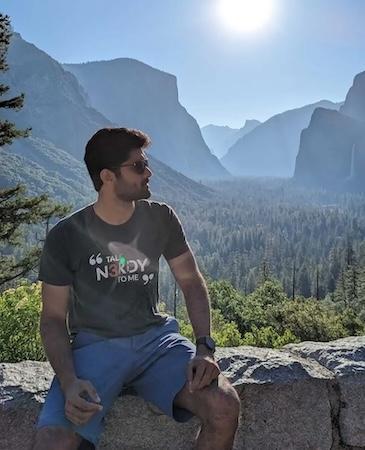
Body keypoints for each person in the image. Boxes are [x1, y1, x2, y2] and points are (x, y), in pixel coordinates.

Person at [32, 128, 240, 450]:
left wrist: (204, 347)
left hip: (157, 342)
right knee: (53, 440)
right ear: (107, 177)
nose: (149, 173)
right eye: (138, 167)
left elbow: (190, 281)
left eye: (147, 164)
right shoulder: (66, 237)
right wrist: (70, 381)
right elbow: (53, 319)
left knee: (225, 406)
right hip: (94, 347)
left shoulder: (160, 218)